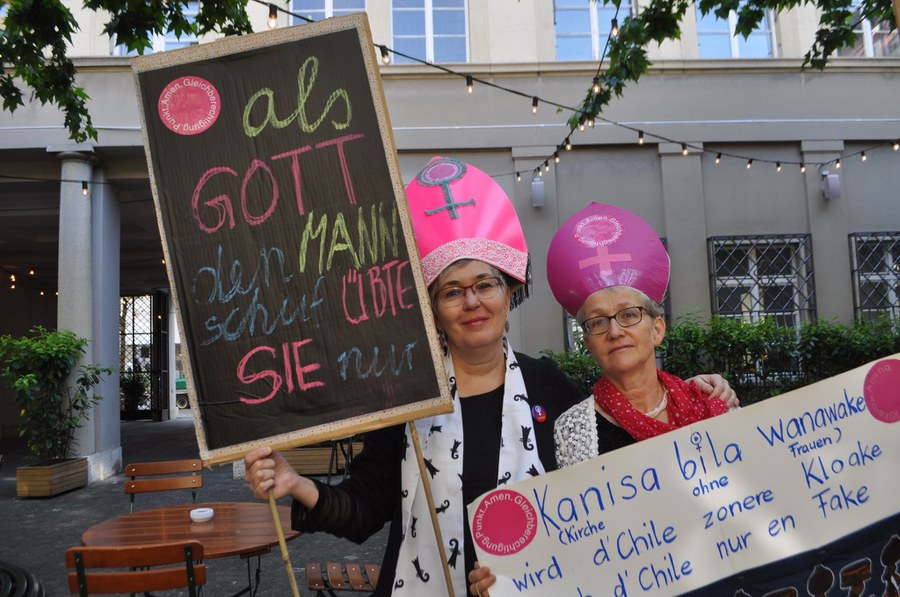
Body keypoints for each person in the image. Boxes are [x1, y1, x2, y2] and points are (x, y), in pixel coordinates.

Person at [245, 162, 734, 597]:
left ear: (508, 292)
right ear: (434, 312)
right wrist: (296, 483)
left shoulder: (548, 387)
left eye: (485, 284)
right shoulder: (409, 397)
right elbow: (365, 509)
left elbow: (606, 493)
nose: (472, 302)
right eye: (452, 292)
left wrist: (696, 393)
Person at [547, 202, 736, 468]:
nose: (615, 331)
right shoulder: (572, 431)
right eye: (598, 321)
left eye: (628, 315)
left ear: (657, 330)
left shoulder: (709, 402)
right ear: (588, 343)